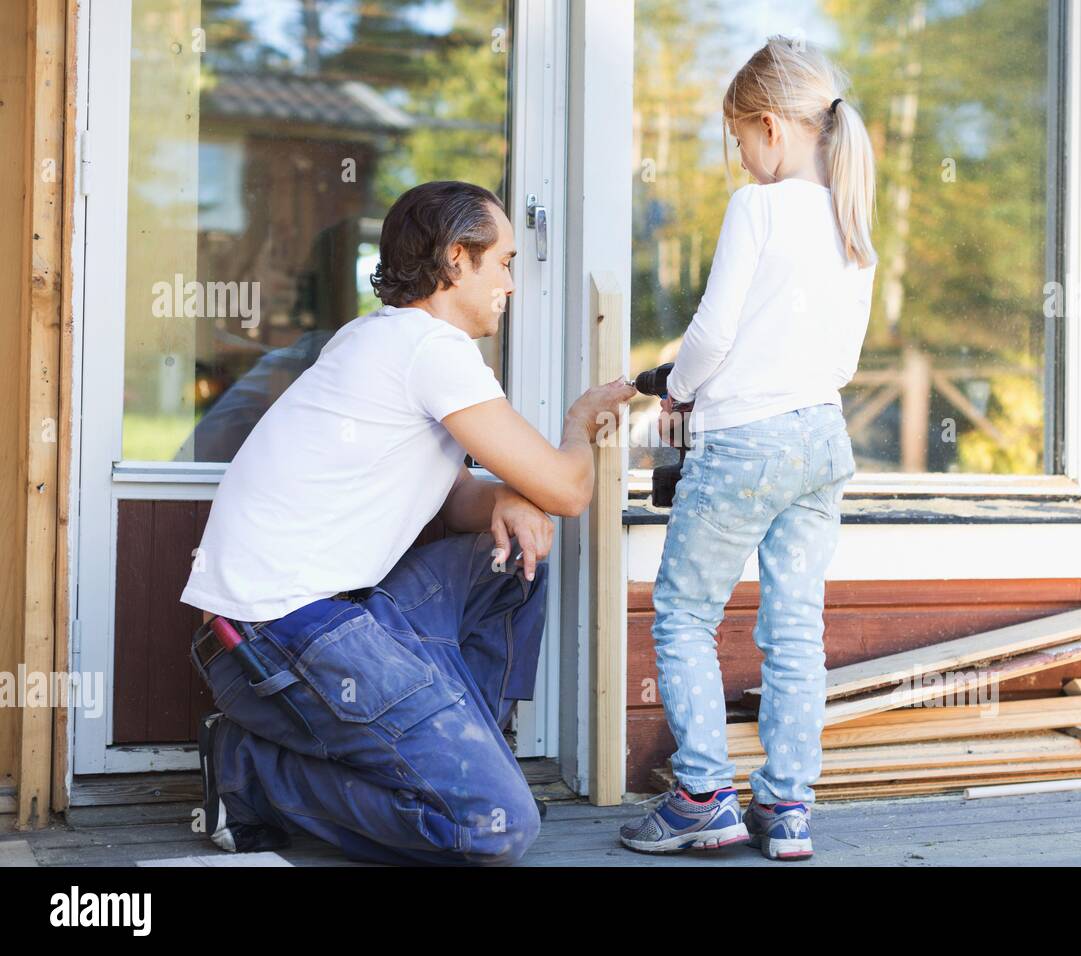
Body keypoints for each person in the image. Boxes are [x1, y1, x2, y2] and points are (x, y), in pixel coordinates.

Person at [183, 180, 636, 866]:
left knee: (506, 560)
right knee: (492, 828)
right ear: (457, 259)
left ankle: (471, 756)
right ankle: (252, 773)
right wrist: (577, 427)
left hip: (317, 622)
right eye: (504, 261)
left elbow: (453, 502)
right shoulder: (432, 351)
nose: (511, 284)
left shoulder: (379, 340)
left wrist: (508, 498)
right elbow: (572, 491)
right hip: (277, 636)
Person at [619, 35, 878, 860]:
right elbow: (843, 363)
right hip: (821, 439)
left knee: (687, 613)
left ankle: (701, 794)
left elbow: (713, 331)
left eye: (738, 141)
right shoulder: (850, 215)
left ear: (769, 125)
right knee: (795, 626)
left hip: (744, 444)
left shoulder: (758, 209)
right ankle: (787, 807)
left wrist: (676, 388)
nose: (740, 160)